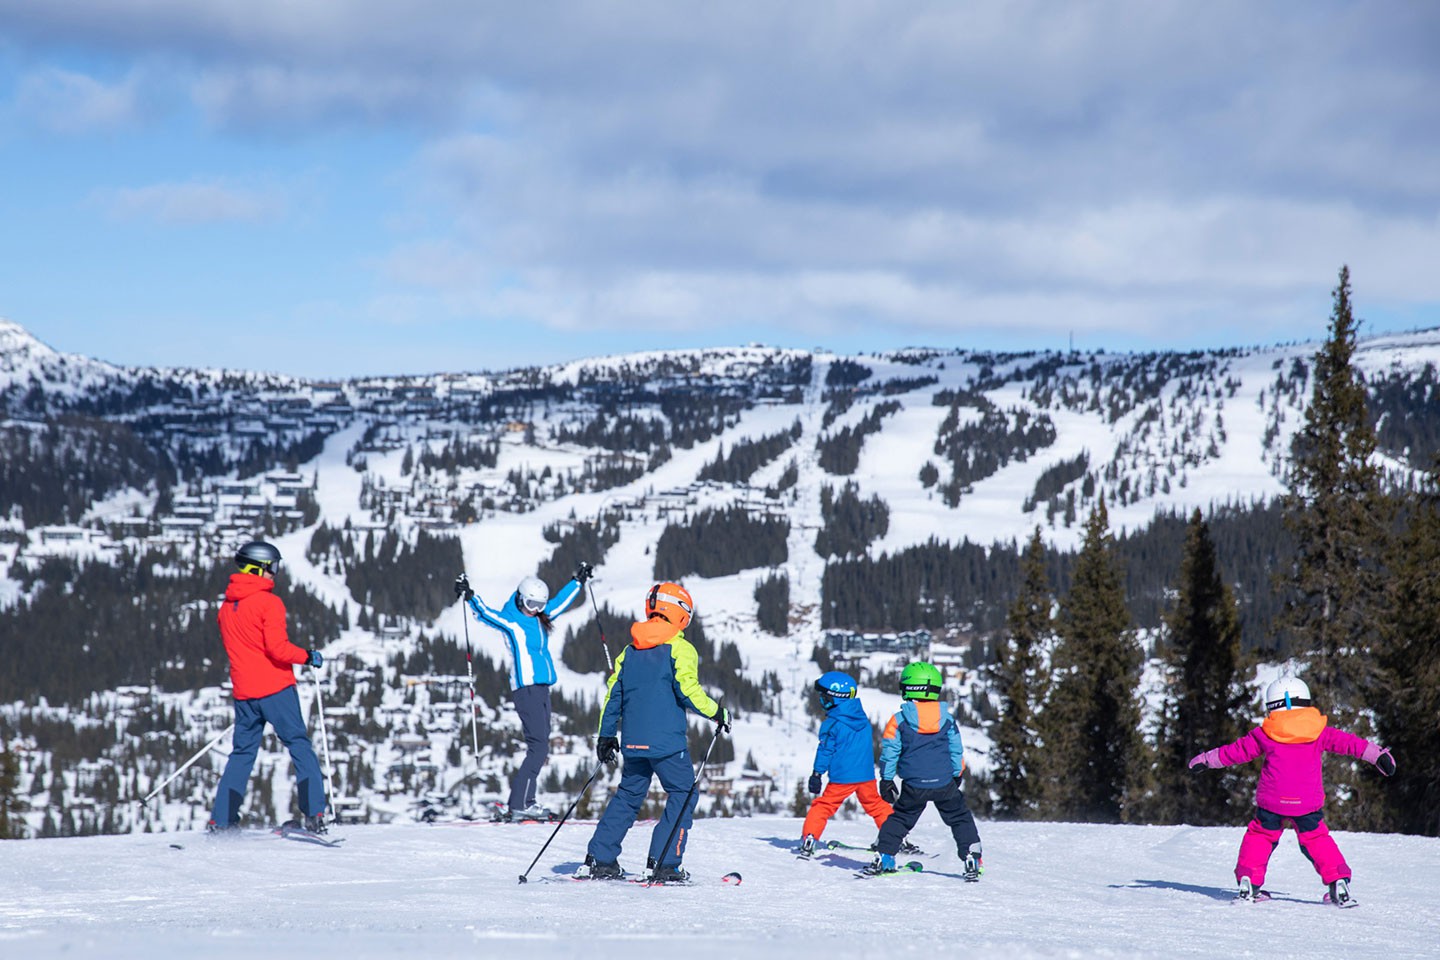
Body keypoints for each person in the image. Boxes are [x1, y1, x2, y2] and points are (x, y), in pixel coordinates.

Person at [1188, 675, 1396, 905]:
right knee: (1316, 838)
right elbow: (1351, 744)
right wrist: (1378, 755)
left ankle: (1249, 880)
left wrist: (1206, 760)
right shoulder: (1320, 731)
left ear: (1271, 706)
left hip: (1272, 800)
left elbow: (1234, 752)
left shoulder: (1265, 733)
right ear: (1306, 702)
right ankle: (1338, 881)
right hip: (1307, 801)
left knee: (1260, 836)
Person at [581, 581, 730, 882]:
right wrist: (718, 712)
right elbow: (688, 691)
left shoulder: (629, 650)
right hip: (667, 745)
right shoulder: (680, 648)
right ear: (681, 613)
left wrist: (607, 735)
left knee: (628, 795)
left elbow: (613, 696)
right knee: (684, 792)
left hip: (633, 743)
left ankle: (601, 858)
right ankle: (665, 863)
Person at [454, 562, 591, 820]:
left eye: (539, 606)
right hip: (525, 690)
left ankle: (525, 800)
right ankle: (520, 803)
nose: (536, 611)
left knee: (541, 747)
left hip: (542, 689)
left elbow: (561, 603)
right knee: (538, 748)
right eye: (531, 605)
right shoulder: (511, 622)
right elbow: (486, 614)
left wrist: (578, 581)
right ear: (520, 599)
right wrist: (469, 595)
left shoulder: (540, 618)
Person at [208, 540, 328, 833]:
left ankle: (221, 820)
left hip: (244, 694)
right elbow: (278, 649)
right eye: (272, 567)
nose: (275, 573)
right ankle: (315, 815)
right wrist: (308, 656)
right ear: (257, 568)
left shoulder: (226, 608)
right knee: (299, 745)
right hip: (275, 689)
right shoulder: (268, 602)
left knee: (242, 754)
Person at [867, 661, 983, 879]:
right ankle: (971, 857)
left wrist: (887, 779)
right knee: (959, 818)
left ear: (909, 688)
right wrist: (957, 774)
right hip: (944, 783)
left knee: (900, 819)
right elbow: (956, 750)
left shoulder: (899, 720)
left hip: (914, 784)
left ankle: (885, 856)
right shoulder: (947, 719)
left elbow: (890, 752)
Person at [796, 671, 893, 858]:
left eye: (824, 697)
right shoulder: (862, 719)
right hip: (866, 775)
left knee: (823, 807)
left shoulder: (832, 724)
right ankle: (896, 838)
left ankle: (810, 837)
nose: (821, 701)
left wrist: (817, 774)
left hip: (842, 777)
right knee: (876, 806)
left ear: (836, 697)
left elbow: (825, 751)